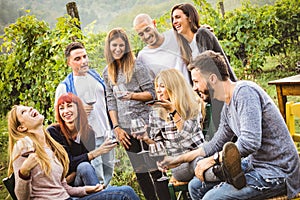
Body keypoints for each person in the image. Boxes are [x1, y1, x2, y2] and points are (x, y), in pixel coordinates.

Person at [158, 50, 300, 199]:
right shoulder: (227, 106)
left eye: (196, 82)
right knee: (195, 187)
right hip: (255, 164)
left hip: (278, 171)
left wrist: (212, 160)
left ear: (212, 78)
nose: (194, 88)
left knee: (211, 198)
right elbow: (215, 143)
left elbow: (251, 142)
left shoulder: (245, 92)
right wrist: (178, 160)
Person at [7, 105, 140, 200]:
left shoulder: (49, 145)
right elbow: (21, 197)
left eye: (27, 107)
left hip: (68, 197)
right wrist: (24, 172)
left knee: (120, 191)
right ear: (22, 127)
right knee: (125, 193)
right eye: (23, 112)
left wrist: (86, 190)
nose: (30, 108)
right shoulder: (23, 146)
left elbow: (62, 187)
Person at [103, 27, 171, 200]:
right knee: (140, 171)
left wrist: (132, 96)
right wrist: (117, 127)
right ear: (108, 47)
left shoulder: (136, 66)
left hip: (145, 124)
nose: (117, 49)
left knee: (155, 168)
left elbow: (152, 94)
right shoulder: (107, 72)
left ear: (126, 47)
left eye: (121, 45)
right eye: (114, 46)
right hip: (125, 129)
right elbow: (111, 101)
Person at [171, 3, 238, 138]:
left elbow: (207, 70)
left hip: (222, 92)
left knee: (225, 135)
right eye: (173, 19)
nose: (175, 22)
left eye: (178, 17)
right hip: (211, 97)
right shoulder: (186, 48)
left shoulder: (202, 34)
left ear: (189, 17)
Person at [55, 42, 114, 185]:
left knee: (109, 175)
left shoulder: (95, 76)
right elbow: (60, 118)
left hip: (106, 133)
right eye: (77, 59)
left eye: (84, 56)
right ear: (69, 62)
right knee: (97, 178)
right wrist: (79, 113)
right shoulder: (65, 87)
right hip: (88, 139)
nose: (83, 61)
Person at [135, 68, 205, 182]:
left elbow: (186, 137)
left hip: (199, 152)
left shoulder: (192, 105)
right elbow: (159, 148)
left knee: (202, 163)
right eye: (157, 86)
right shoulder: (156, 112)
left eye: (162, 86)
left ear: (174, 87)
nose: (158, 90)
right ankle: (221, 171)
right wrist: (146, 139)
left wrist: (173, 111)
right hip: (179, 165)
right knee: (200, 163)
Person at [47, 92, 117, 187]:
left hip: (77, 181)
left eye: (69, 106)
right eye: (61, 108)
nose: (66, 111)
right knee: (84, 166)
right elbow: (67, 163)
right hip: (59, 186)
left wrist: (73, 173)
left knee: (84, 166)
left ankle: (98, 192)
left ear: (79, 108)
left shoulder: (89, 133)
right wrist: (97, 152)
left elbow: (83, 164)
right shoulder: (53, 132)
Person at [133, 13, 190, 82]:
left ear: (154, 23)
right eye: (141, 34)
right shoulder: (143, 56)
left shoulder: (175, 35)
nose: (146, 36)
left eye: (148, 30)